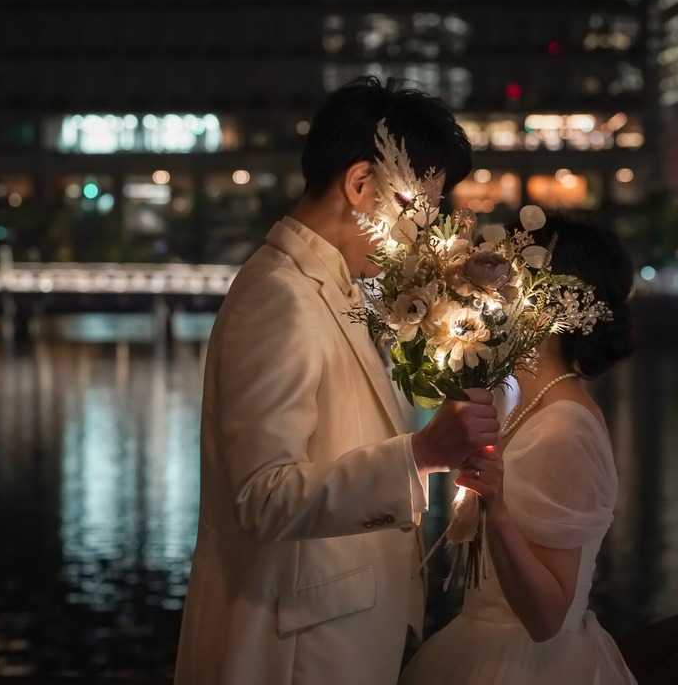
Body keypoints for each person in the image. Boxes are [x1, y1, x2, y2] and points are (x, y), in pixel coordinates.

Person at [174, 78, 501, 685]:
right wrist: (421, 453)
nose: (426, 230)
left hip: (333, 629)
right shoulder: (280, 295)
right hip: (296, 650)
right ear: (360, 185)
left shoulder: (334, 288)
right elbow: (262, 495)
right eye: (421, 206)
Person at [399, 214, 638, 685]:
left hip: (524, 665)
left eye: (495, 274)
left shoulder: (564, 425)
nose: (478, 291)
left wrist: (498, 509)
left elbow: (548, 617)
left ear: (540, 300)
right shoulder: (530, 407)